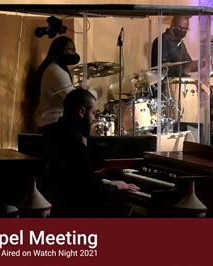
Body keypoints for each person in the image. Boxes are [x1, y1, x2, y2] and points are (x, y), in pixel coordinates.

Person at [41, 89, 139, 217]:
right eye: (93, 113)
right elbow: (89, 192)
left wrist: (106, 183)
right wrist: (116, 187)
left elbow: (80, 181)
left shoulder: (50, 132)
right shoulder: (74, 145)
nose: (94, 119)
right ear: (82, 112)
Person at [35, 36, 80, 130]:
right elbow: (72, 101)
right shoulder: (56, 72)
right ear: (62, 50)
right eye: (72, 49)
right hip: (52, 124)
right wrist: (93, 92)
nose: (74, 53)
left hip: (50, 123)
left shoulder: (54, 68)